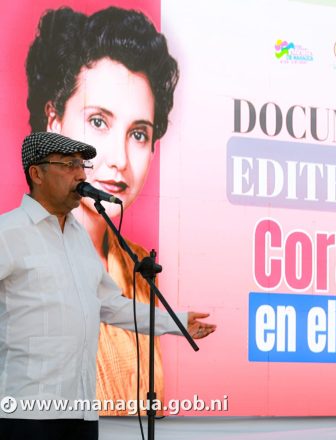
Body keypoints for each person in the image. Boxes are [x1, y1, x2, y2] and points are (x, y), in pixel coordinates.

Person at [25, 6, 191, 414]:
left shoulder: (139, 272)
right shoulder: (18, 254)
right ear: (54, 122)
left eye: (139, 134)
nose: (119, 158)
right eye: (98, 122)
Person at [0, 131, 215, 439]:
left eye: (82, 165)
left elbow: (111, 304)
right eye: (69, 165)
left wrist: (176, 322)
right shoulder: (8, 232)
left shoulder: (78, 238)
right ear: (37, 174)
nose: (80, 174)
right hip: (25, 410)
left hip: (82, 409)